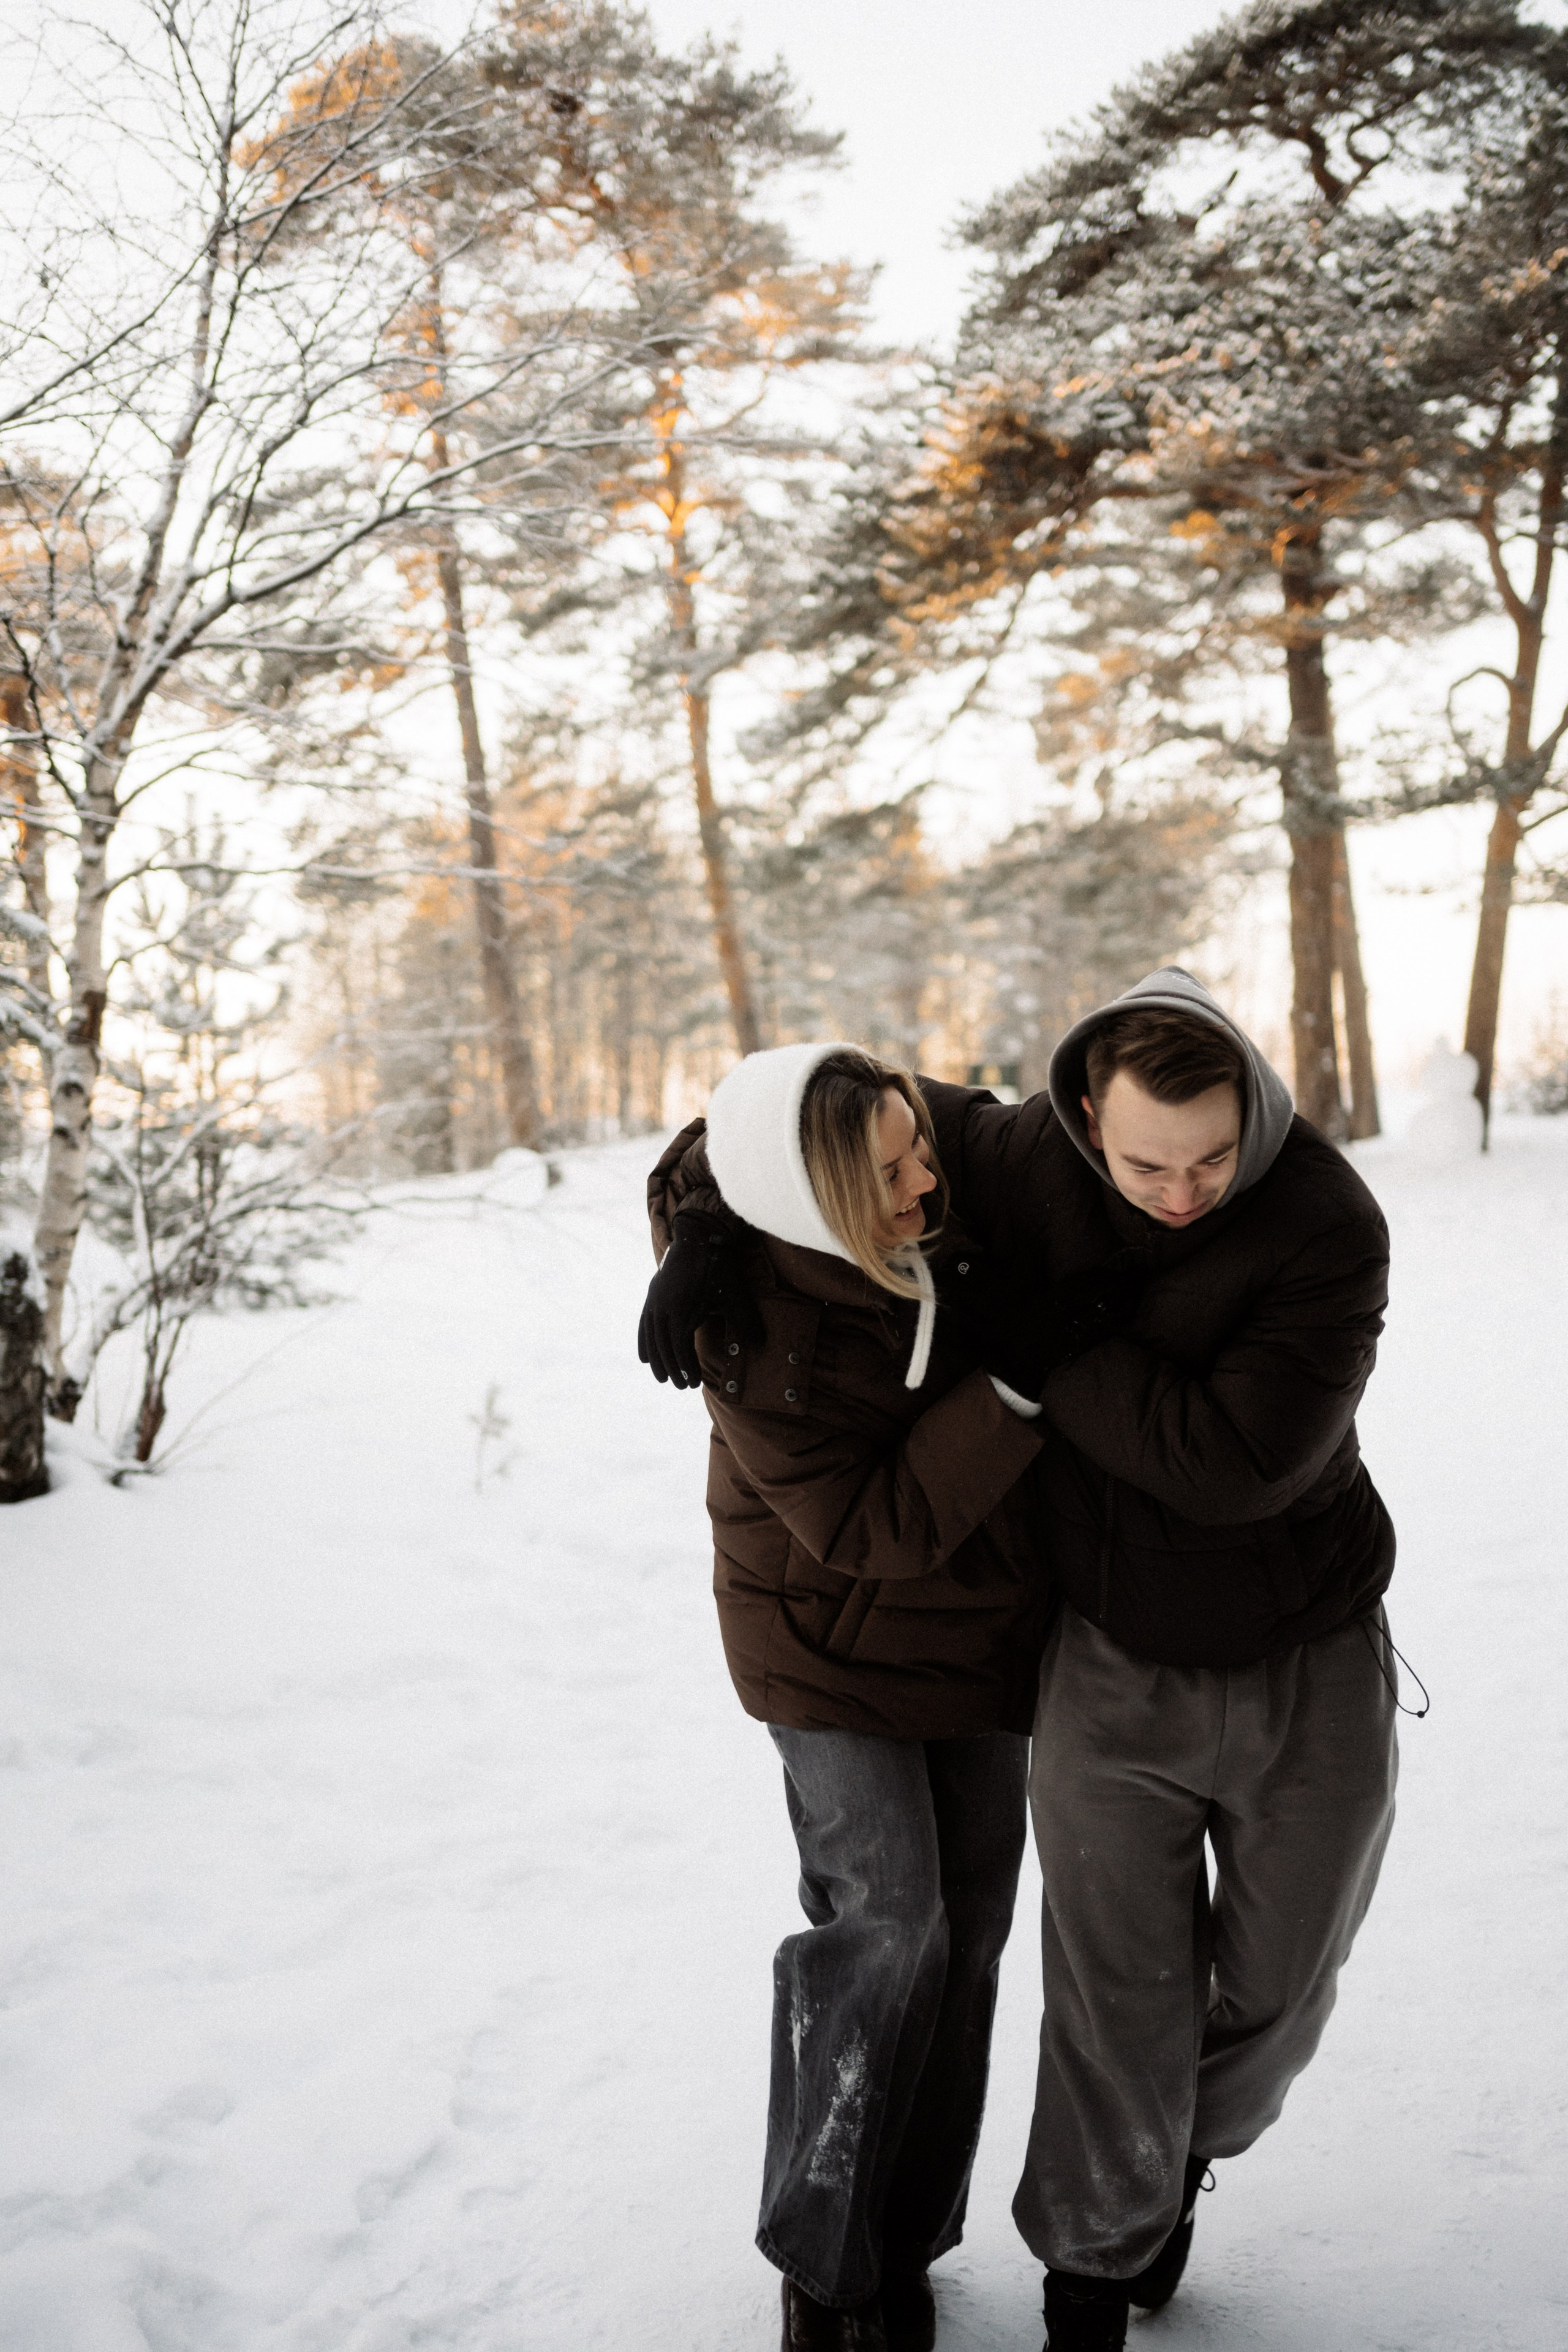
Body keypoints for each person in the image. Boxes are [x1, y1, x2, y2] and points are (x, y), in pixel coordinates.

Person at [641, 971, 1401, 2352]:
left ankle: (967, 2220)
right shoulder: (783, 1299)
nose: (1178, 1192)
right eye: (1142, 1161)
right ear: (1082, 1124)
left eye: (1212, 1160)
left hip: (1053, 1637)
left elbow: (1223, 1465)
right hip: (867, 1643)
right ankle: (844, 2268)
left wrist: (1031, 1354)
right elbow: (779, 1128)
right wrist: (705, 1227)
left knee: (1025, 1955)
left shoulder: (1311, 1225)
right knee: (892, 1927)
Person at [640, 1042, 1055, 2352]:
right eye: (889, 1174)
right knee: (886, 1919)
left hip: (979, 1626)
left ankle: (904, 2235)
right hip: (822, 1639)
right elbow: (869, 1527)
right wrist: (1009, 1385)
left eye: (916, 1144)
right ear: (808, 1194)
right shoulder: (741, 1327)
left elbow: (1054, 1143)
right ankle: (824, 2264)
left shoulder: (906, 1130)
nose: (927, 1180)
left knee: (972, 1930)